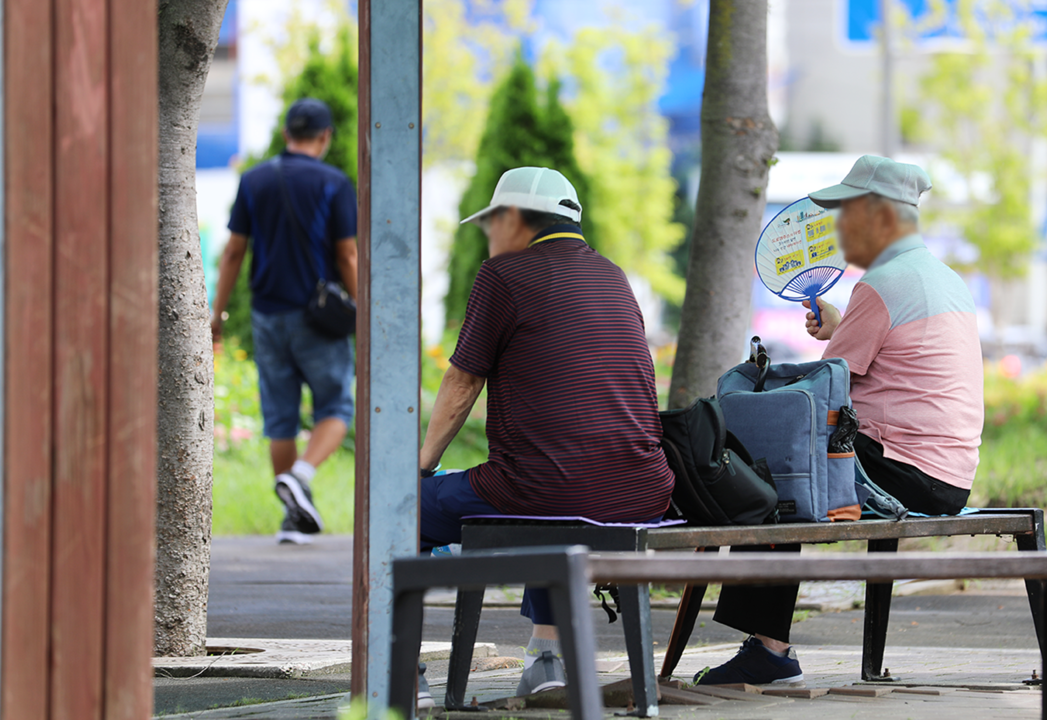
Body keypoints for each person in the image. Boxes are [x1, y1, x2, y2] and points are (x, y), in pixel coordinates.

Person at [694, 155, 984, 686]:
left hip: (900, 473)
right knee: (783, 468)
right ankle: (767, 646)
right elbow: (889, 361)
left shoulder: (882, 285)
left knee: (769, 476)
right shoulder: (941, 279)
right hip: (949, 477)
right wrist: (844, 323)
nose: (839, 228)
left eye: (846, 213)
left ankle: (768, 650)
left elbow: (827, 389)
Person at [417, 166, 675, 699]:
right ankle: (547, 657)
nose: (487, 237)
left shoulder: (504, 275)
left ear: (512, 218)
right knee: (553, 476)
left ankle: (397, 666)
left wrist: (419, 466)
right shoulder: (614, 275)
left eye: (489, 223)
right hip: (641, 491)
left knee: (400, 508)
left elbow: (463, 381)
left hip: (549, 491)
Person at [211, 98, 358, 545]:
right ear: (326, 136)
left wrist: (216, 313)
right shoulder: (334, 182)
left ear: (285, 134)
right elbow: (347, 254)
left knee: (281, 418)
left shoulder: (254, 180)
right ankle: (301, 475)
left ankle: (292, 519)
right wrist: (362, 307)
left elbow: (234, 251)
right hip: (318, 317)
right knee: (336, 407)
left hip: (266, 314)